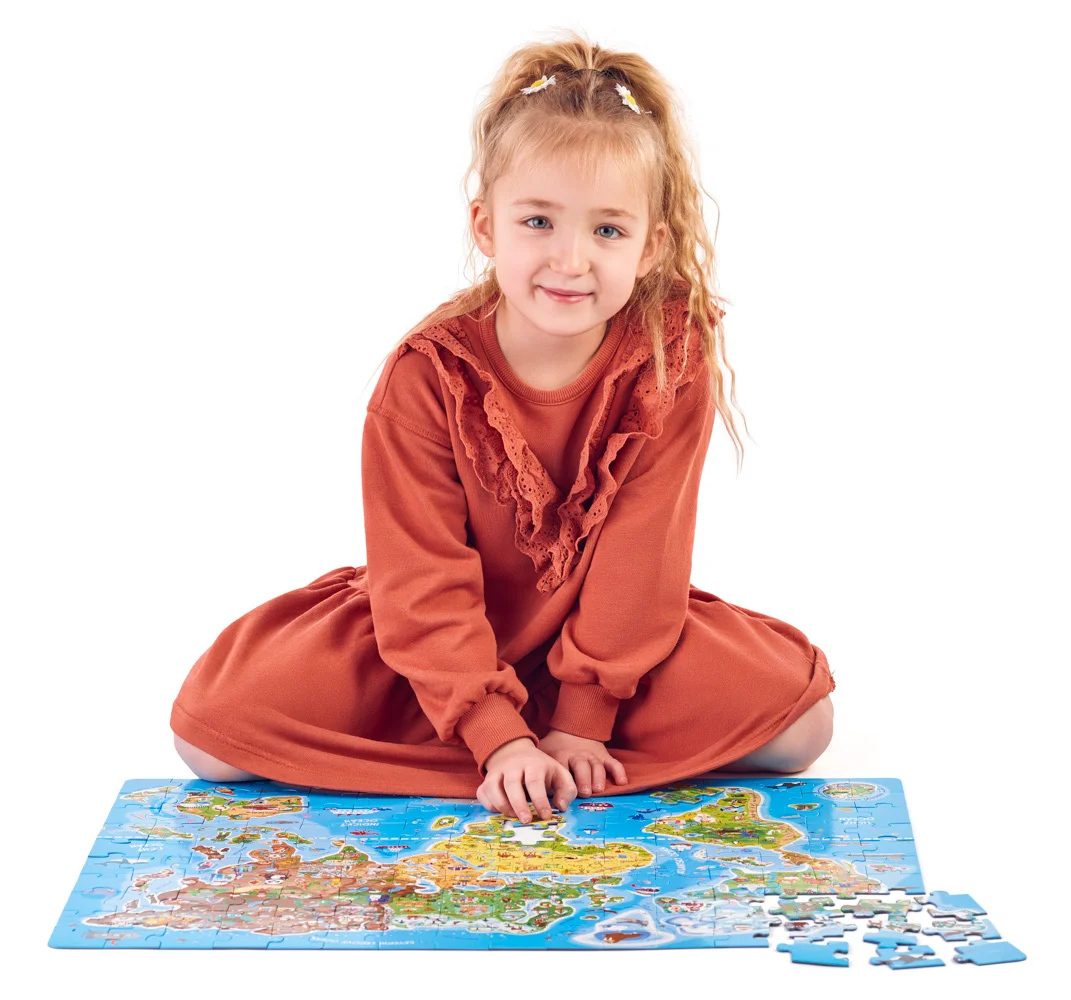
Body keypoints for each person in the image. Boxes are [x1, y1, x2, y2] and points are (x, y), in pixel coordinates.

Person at [170, 31, 836, 826]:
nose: (571, 260)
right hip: (442, 640)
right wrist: (496, 735)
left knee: (801, 726)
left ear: (649, 245)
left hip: (604, 641)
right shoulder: (427, 374)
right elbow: (419, 577)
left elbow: (640, 561)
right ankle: (495, 744)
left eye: (607, 231)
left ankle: (541, 742)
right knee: (211, 736)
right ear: (485, 227)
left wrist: (581, 720)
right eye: (538, 221)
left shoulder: (666, 357)